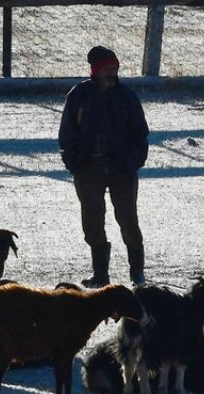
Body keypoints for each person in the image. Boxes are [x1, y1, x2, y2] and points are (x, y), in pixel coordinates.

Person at [58, 45, 150, 287]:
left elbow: (141, 134)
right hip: (88, 170)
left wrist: (133, 162)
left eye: (114, 68)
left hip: (122, 170)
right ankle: (101, 275)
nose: (112, 73)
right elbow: (67, 134)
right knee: (92, 222)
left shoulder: (127, 97)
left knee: (128, 219)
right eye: (107, 69)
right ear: (96, 71)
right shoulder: (78, 95)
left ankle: (137, 273)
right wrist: (73, 162)